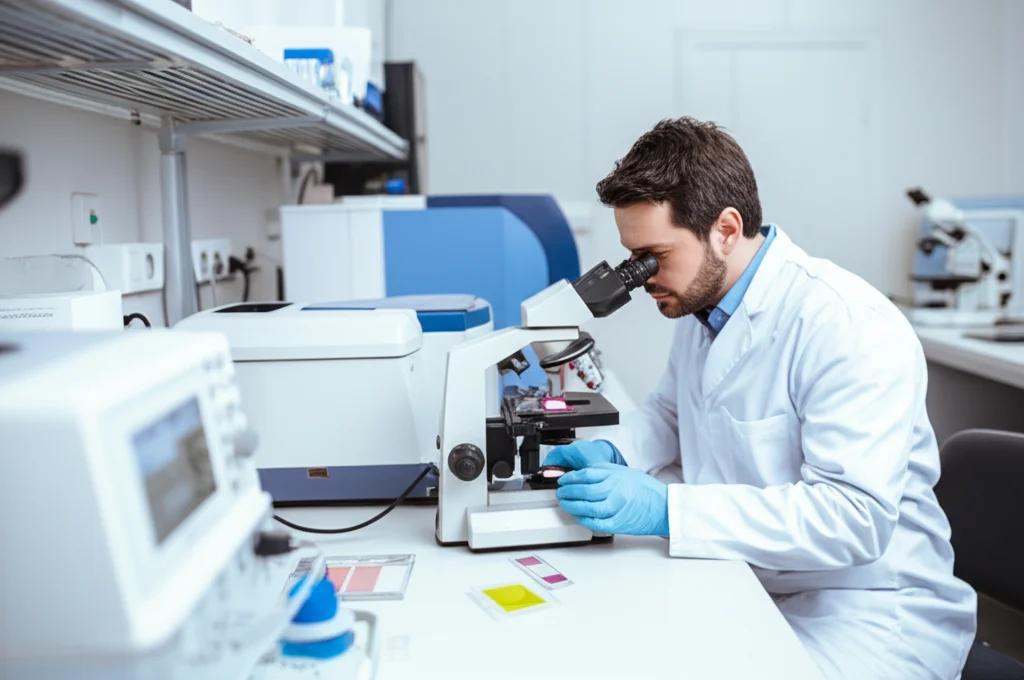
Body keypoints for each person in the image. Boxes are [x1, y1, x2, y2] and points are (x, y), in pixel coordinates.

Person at [544, 117, 977, 680]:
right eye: (633, 257)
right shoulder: (703, 305)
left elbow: (853, 518)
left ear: (725, 228)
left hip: (865, 608)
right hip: (749, 577)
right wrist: (615, 453)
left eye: (653, 256)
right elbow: (671, 415)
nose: (641, 277)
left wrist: (666, 509)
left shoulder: (846, 324)